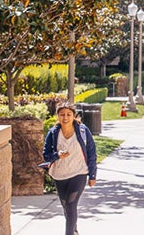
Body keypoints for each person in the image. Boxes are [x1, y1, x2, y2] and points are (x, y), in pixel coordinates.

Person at [42, 101, 97, 235]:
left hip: (79, 173)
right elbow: (46, 155)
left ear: (74, 116)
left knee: (71, 205)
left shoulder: (82, 131)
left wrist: (92, 175)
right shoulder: (53, 133)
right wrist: (57, 155)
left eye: (68, 114)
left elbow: (91, 152)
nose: (65, 118)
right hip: (60, 175)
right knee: (66, 207)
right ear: (58, 116)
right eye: (62, 115)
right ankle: (74, 230)